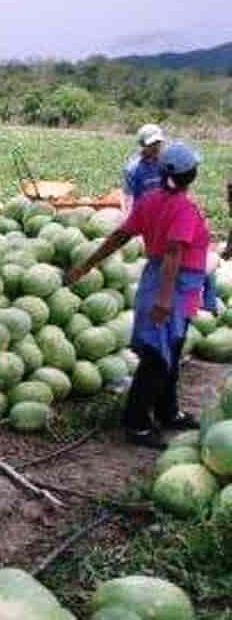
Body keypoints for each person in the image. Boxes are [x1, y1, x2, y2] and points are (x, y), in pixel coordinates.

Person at [66, 142, 215, 449]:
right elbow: (173, 254)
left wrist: (86, 265)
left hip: (160, 283)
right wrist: (163, 302)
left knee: (169, 355)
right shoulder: (183, 209)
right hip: (170, 287)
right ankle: (136, 425)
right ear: (191, 175)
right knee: (156, 361)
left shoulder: (150, 200)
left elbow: (121, 235)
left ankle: (168, 412)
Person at [121, 123, 165, 212]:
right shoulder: (133, 169)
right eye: (151, 143)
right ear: (142, 144)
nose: (155, 147)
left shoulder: (165, 164)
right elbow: (128, 198)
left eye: (157, 143)